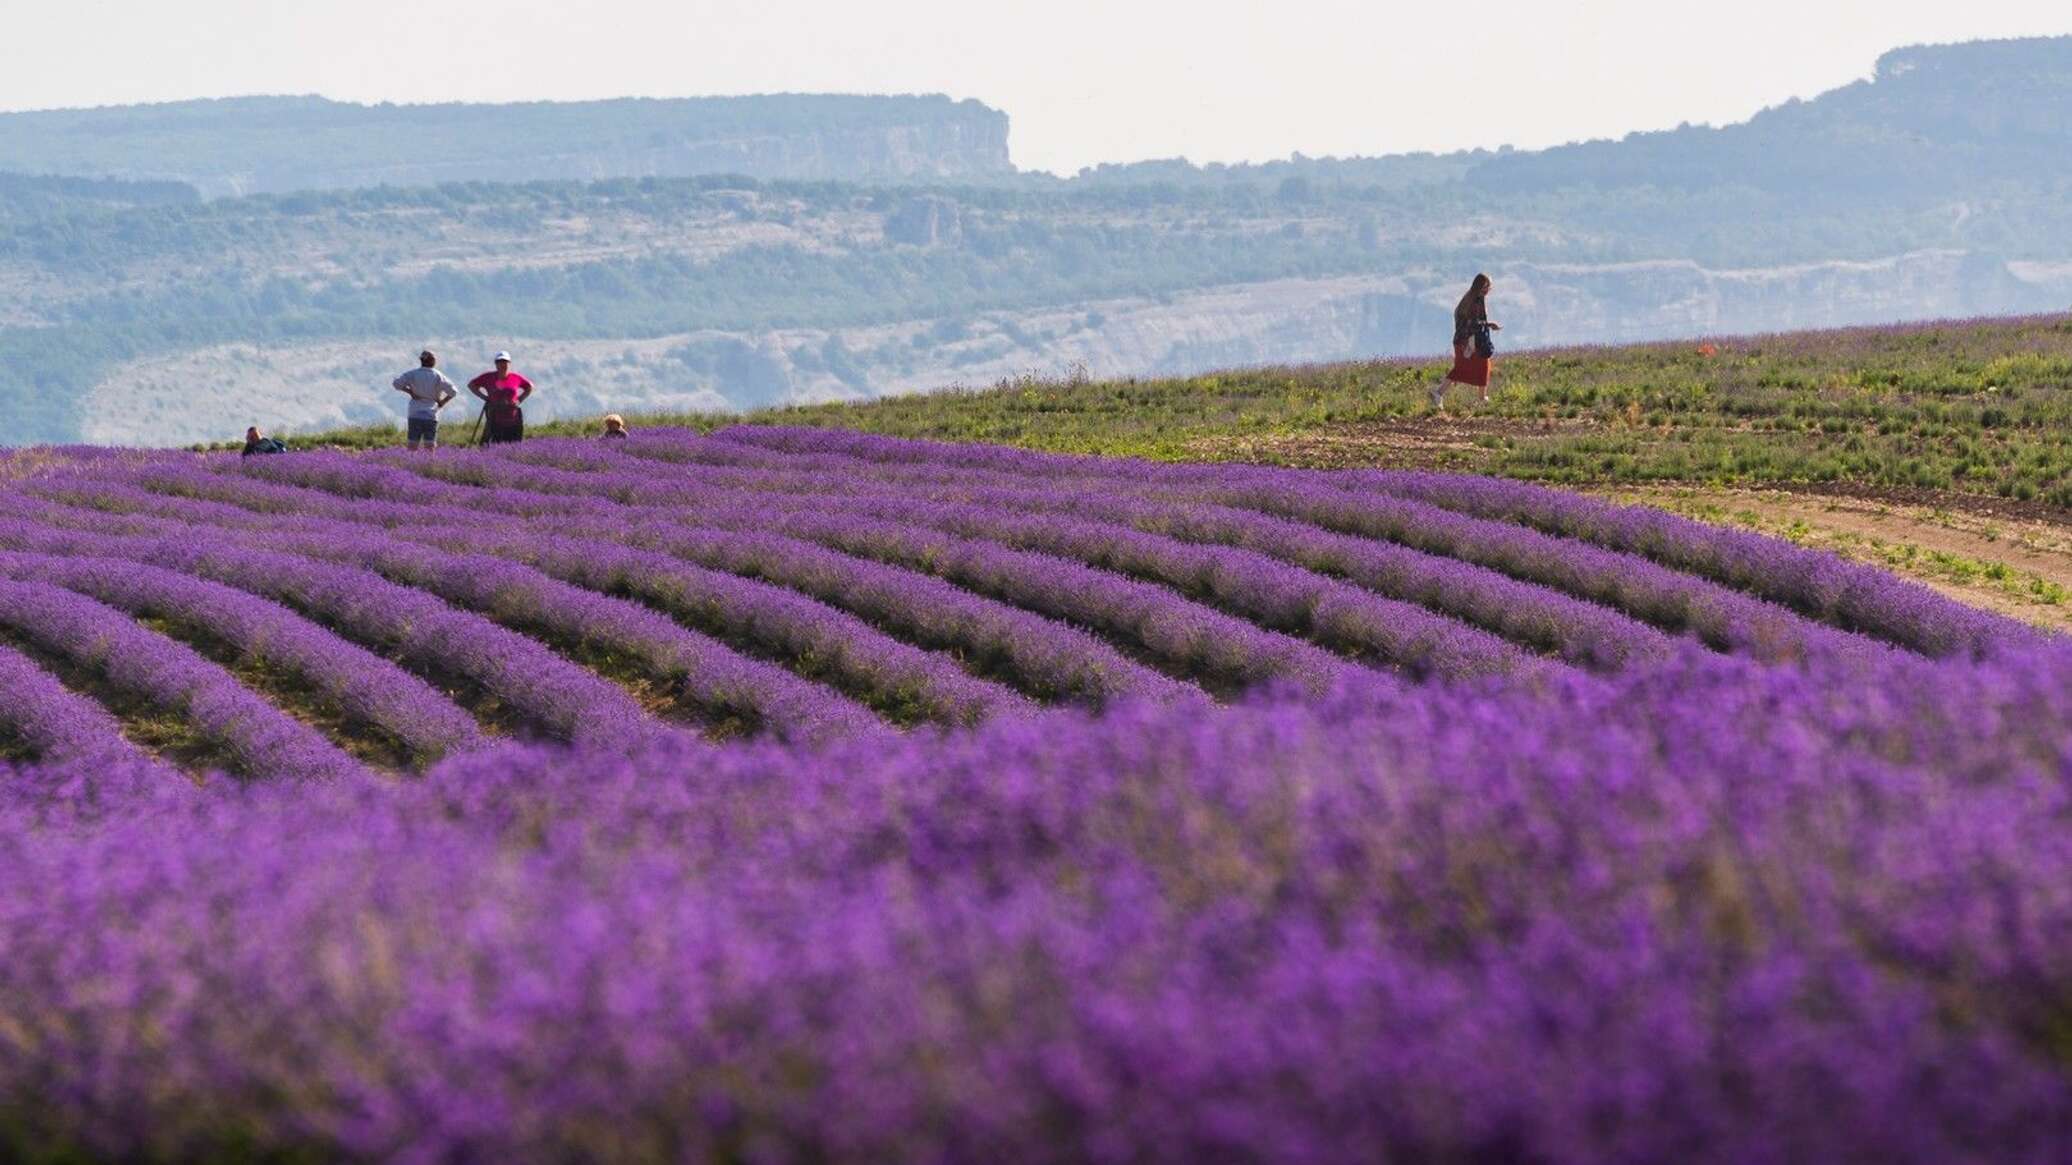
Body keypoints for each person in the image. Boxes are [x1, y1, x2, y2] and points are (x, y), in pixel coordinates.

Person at [1431, 273, 1501, 411]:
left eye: (1489, 286)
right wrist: (1489, 325)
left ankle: (1481, 397)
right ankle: (1439, 393)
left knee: (1476, 366)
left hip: (1465, 340)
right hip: (1468, 342)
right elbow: (1473, 322)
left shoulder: (1470, 298)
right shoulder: (1476, 300)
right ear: (1481, 286)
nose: (1488, 289)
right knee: (1470, 366)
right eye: (1487, 286)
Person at [391, 349, 457, 450]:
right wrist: (442, 402)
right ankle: (429, 464)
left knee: (412, 445)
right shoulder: (438, 376)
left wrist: (410, 392)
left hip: (414, 413)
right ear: (432, 361)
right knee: (430, 446)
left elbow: (396, 384)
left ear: (422, 361)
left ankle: (411, 465)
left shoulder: (412, 374)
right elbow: (453, 391)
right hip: (431, 414)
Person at [467, 351, 533, 445]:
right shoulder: (488, 377)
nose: (503, 364)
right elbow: (471, 385)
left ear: (509, 363)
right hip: (494, 416)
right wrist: (484, 397)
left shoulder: (516, 378)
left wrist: (519, 400)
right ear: (496, 364)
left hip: (513, 417)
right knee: (493, 442)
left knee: (514, 444)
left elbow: (530, 387)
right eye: (500, 362)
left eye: (505, 362)